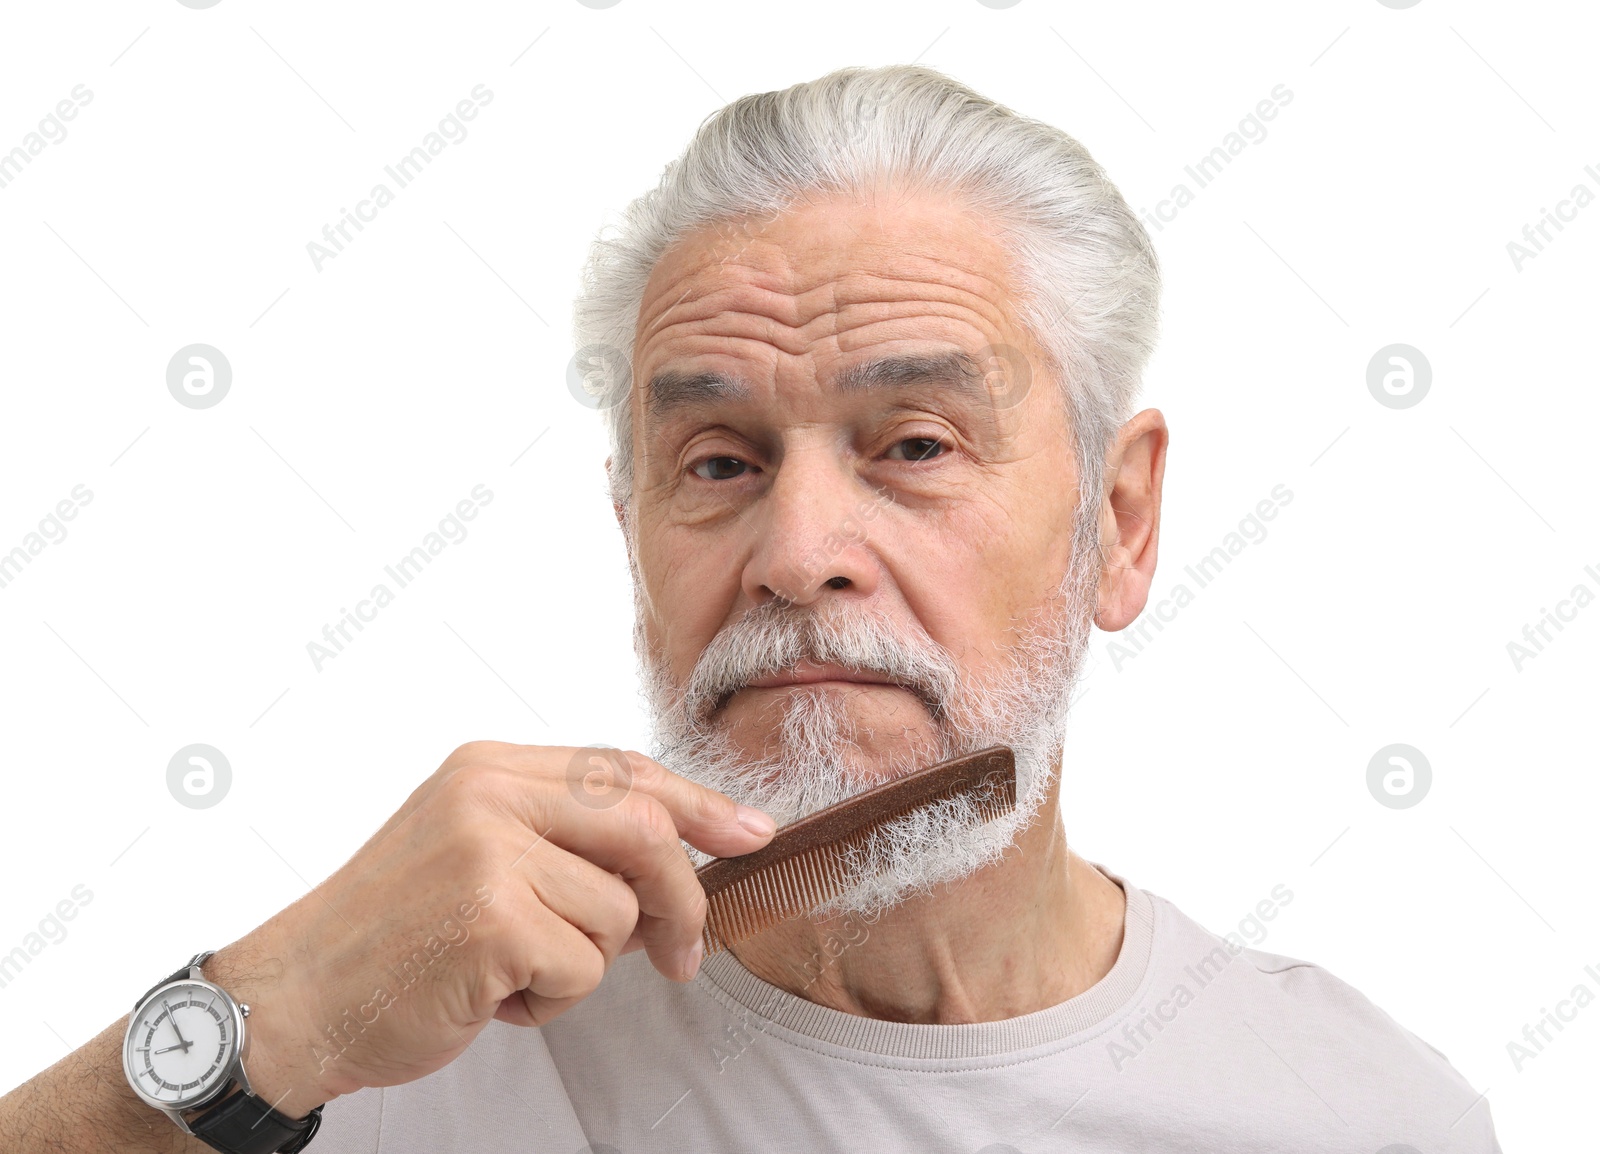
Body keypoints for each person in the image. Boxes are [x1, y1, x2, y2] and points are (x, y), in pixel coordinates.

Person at [0, 64, 1500, 1152]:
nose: (796, 552)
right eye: (716, 460)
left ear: (1119, 520)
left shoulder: (1364, 1115)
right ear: (633, 529)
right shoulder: (377, 1069)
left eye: (912, 444)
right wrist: (262, 1015)